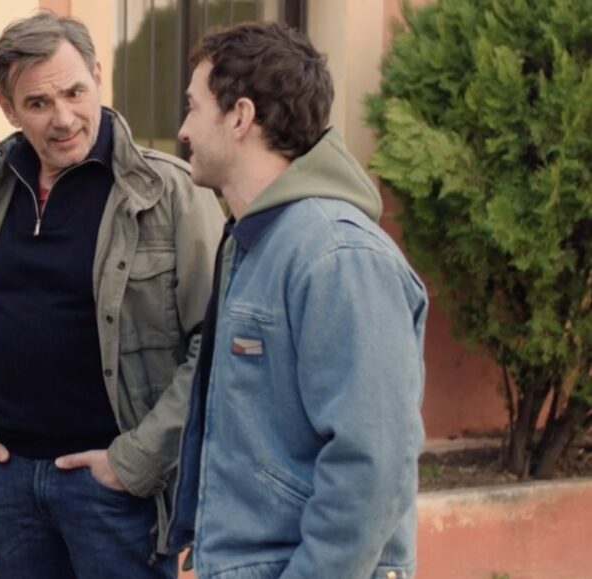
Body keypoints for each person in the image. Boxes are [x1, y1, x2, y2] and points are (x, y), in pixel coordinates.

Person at [0, 12, 226, 579]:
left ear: (99, 76)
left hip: (116, 493)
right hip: (9, 485)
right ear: (7, 108)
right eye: (38, 103)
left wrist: (136, 461)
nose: (64, 118)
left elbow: (215, 343)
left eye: (75, 92)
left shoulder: (170, 192)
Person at [166, 22, 428, 579]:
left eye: (193, 108)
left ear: (240, 116)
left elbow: (372, 463)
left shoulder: (338, 255)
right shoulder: (255, 243)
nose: (184, 130)